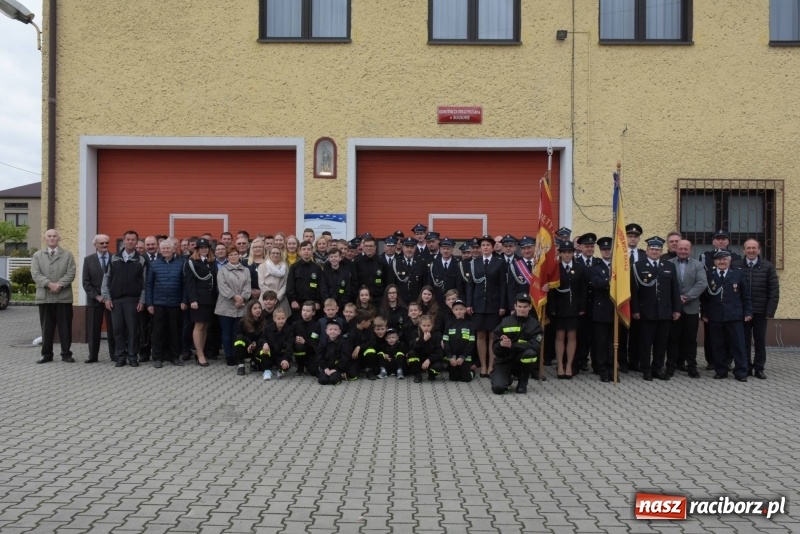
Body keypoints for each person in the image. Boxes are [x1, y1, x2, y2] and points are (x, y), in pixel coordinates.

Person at [631, 237, 682, 381]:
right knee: (646, 343)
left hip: (665, 311)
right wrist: (635, 310)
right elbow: (634, 291)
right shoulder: (638, 266)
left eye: (657, 250)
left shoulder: (669, 266)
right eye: (652, 249)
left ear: (661, 251)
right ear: (647, 250)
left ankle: (657, 368)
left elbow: (675, 289)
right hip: (646, 312)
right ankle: (646, 369)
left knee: (661, 343)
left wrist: (677, 309)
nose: (654, 252)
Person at [701, 250, 752, 382]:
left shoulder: (738, 273)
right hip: (715, 316)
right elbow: (704, 297)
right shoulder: (709, 274)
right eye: (719, 259)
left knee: (738, 345)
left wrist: (748, 312)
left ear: (729, 261)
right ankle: (721, 371)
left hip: (734, 315)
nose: (722, 262)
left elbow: (746, 295)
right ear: (715, 262)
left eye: (725, 259)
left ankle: (741, 372)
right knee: (718, 345)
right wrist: (704, 313)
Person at [733, 239, 779, 379]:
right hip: (742, 311)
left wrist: (770, 311)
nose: (751, 250)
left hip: (761, 311)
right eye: (748, 248)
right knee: (744, 341)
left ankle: (759, 368)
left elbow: (774, 290)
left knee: (759, 341)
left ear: (759, 250)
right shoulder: (736, 265)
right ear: (744, 250)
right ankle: (746, 367)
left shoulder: (767, 266)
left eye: (754, 248)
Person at [698, 229, 742, 370]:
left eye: (724, 239)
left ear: (728, 241)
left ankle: (727, 361)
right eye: (718, 239)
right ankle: (712, 361)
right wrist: (704, 310)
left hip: (729, 305)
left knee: (729, 336)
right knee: (711, 336)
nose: (721, 241)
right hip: (712, 304)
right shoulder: (705, 257)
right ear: (713, 241)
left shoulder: (736, 257)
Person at [31, 229, 77, 364]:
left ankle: (66, 354)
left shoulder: (67, 255)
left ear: (59, 238)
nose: (52, 238)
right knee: (46, 328)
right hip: (45, 298)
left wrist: (60, 285)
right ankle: (46, 355)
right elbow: (35, 274)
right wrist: (49, 284)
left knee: (65, 328)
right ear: (45, 239)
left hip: (63, 298)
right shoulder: (37, 255)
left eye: (54, 236)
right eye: (49, 236)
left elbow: (71, 273)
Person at [102, 230, 147, 368]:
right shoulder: (114, 258)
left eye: (133, 239)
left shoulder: (141, 260)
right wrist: (107, 298)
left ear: (137, 242)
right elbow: (106, 279)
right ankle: (120, 356)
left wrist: (142, 300)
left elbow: (145, 282)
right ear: (124, 240)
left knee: (133, 330)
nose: (130, 242)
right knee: (118, 329)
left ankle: (133, 357)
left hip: (133, 300)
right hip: (116, 300)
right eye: (128, 239)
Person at [466, 235, 506, 378]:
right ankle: (483, 365)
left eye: (488, 245)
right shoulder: (474, 262)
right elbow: (470, 285)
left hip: (494, 304)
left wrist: (502, 305)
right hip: (478, 304)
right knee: (481, 335)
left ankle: (491, 365)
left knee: (493, 336)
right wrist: (468, 303)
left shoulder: (499, 262)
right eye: (483, 245)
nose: (485, 247)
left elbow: (503, 285)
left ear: (493, 247)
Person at [667, 239, 707, 378]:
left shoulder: (698, 265)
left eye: (686, 249)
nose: (683, 251)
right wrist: (676, 298)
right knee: (673, 338)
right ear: (676, 249)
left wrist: (686, 297)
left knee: (690, 339)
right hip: (673, 308)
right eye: (680, 248)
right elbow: (665, 284)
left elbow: (702, 283)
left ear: (690, 250)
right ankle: (670, 366)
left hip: (691, 308)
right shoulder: (669, 263)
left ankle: (691, 366)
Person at [146, 238, 187, 368]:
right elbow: (149, 285)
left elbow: (185, 285)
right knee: (158, 332)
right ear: (160, 250)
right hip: (158, 304)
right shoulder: (154, 265)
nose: (165, 250)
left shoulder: (181, 264)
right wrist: (149, 303)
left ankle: (174, 356)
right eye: (163, 248)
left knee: (174, 332)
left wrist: (184, 300)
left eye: (168, 248)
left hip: (175, 304)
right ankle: (157, 357)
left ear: (173, 249)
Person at [491, 293, 543, 394]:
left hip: (520, 360)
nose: (522, 309)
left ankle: (523, 382)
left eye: (525, 307)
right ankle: (506, 379)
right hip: (504, 360)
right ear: (515, 306)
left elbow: (535, 345)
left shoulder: (535, 325)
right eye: (519, 306)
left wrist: (512, 345)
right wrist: (501, 344)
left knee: (530, 354)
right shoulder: (505, 322)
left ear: (530, 307)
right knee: (498, 389)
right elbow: (495, 348)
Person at [548, 241, 585, 379]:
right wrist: (551, 308)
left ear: (573, 253)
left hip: (574, 308)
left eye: (569, 252)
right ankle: (560, 365)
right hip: (559, 309)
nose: (567, 255)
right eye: (564, 252)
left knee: (572, 336)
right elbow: (551, 291)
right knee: (559, 336)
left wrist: (582, 307)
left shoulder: (579, 268)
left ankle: (569, 365)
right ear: (560, 254)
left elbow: (583, 290)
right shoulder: (555, 268)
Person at [215, 246, 251, 366]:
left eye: (235, 254)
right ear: (227, 257)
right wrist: (234, 297)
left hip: (241, 306)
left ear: (239, 256)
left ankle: (237, 355)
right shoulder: (222, 270)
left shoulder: (246, 270)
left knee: (237, 333)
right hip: (225, 306)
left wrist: (242, 298)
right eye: (231, 255)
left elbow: (248, 286)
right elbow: (222, 287)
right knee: (226, 333)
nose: (233, 256)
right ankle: (229, 356)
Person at [184, 238, 218, 366]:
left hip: (210, 299)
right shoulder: (192, 262)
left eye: (206, 247)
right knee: (199, 326)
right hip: (198, 300)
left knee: (205, 326)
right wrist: (193, 300)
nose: (203, 250)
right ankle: (199, 354)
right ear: (197, 249)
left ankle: (200, 351)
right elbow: (189, 283)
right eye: (201, 248)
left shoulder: (211, 262)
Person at [82, 234, 115, 363]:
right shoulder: (88, 260)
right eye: (101, 243)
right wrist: (98, 296)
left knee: (113, 328)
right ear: (95, 245)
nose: (105, 245)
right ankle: (93, 356)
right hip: (95, 300)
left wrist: (108, 297)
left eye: (106, 242)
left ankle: (114, 355)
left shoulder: (115, 258)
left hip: (111, 300)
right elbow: (86, 282)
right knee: (93, 329)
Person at [588, 237, 615, 382]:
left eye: (609, 249)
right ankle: (603, 369)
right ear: (600, 250)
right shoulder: (595, 268)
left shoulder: (619, 266)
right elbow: (596, 283)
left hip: (616, 309)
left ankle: (613, 369)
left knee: (614, 342)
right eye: (604, 249)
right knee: (601, 342)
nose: (607, 251)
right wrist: (611, 281)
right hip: (601, 310)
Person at [286, 240, 323, 322]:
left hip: (313, 304)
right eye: (304, 249)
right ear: (300, 251)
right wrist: (293, 300)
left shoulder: (317, 268)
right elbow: (290, 286)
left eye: (309, 249)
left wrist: (318, 302)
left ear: (312, 251)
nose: (306, 251)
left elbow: (321, 286)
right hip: (298, 304)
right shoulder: (294, 267)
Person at [442, 299, 475, 383]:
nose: (459, 311)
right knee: (453, 378)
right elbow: (445, 341)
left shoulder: (469, 324)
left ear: (465, 310)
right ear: (453, 311)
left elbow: (471, 343)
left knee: (466, 379)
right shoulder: (449, 324)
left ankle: (472, 371)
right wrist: (450, 357)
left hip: (465, 358)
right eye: (456, 309)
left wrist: (463, 357)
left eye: (461, 309)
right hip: (452, 358)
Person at [258, 308, 294, 380]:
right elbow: (262, 338)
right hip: (270, 353)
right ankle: (267, 371)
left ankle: (280, 370)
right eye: (279, 319)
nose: (281, 321)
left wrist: (285, 359)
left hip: (281, 354)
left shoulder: (289, 330)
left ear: (286, 318)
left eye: (283, 318)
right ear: (274, 319)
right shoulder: (268, 328)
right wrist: (264, 343)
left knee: (284, 367)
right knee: (263, 352)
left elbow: (289, 346)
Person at [355, 235, 389, 308]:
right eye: (366, 246)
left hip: (378, 299)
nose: (368, 248)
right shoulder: (357, 262)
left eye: (371, 246)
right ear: (363, 247)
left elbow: (387, 281)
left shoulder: (382, 262)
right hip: (362, 300)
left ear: (375, 247)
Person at [234, 300, 267, 376]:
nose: (258, 310)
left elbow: (264, 336)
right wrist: (250, 343)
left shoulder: (264, 321)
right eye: (255, 308)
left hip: (258, 346)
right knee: (239, 340)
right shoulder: (243, 321)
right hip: (246, 346)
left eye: (259, 308)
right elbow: (239, 335)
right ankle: (241, 365)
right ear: (250, 310)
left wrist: (255, 343)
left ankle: (254, 361)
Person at [408, 315, 444, 383]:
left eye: (428, 325)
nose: (426, 328)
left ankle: (431, 374)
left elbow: (440, 352)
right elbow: (413, 348)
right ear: (420, 325)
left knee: (439, 366)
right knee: (411, 354)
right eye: (424, 326)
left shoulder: (437, 334)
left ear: (432, 325)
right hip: (420, 358)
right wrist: (424, 340)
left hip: (431, 359)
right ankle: (418, 375)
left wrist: (429, 359)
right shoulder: (415, 333)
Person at [426, 237, 462, 306]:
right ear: (440, 249)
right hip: (437, 301)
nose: (445, 251)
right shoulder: (434, 265)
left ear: (452, 249)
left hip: (452, 301)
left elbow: (459, 285)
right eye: (443, 248)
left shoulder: (458, 264)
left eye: (448, 249)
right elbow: (430, 284)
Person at [320, 247, 356, 311]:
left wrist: (339, 305)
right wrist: (328, 303)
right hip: (328, 306)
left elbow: (347, 291)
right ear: (328, 258)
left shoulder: (346, 274)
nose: (334, 258)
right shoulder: (324, 273)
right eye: (331, 257)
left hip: (341, 306)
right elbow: (323, 289)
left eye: (336, 256)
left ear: (340, 258)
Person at [393, 237, 425, 306]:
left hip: (417, 301)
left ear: (415, 248)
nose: (409, 249)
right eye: (407, 247)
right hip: (400, 301)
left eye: (412, 247)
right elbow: (391, 284)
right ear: (402, 248)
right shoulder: (395, 262)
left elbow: (425, 284)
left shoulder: (421, 263)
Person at [259, 245, 290, 315]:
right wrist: (271, 297)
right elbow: (261, 284)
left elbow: (285, 283)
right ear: (269, 254)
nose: (275, 255)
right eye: (273, 253)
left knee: (281, 318)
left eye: (277, 253)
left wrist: (278, 298)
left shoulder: (284, 267)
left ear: (280, 254)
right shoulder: (262, 266)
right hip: (266, 298)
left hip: (280, 298)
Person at [316, 320, 346, 386]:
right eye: (330, 329)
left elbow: (344, 358)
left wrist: (336, 369)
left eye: (335, 330)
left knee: (333, 380)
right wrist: (325, 368)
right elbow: (319, 356)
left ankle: (341, 375)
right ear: (326, 331)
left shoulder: (343, 343)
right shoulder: (323, 342)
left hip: (337, 367)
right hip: (326, 367)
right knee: (323, 381)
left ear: (339, 332)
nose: (333, 331)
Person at [292, 301, 317, 375]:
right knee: (299, 347)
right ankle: (300, 366)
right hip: (300, 348)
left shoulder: (316, 326)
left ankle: (308, 365)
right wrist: (295, 340)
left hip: (311, 351)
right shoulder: (295, 324)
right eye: (303, 310)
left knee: (314, 371)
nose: (305, 312)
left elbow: (315, 342)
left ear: (313, 313)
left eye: (308, 311)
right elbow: (289, 338)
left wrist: (305, 342)